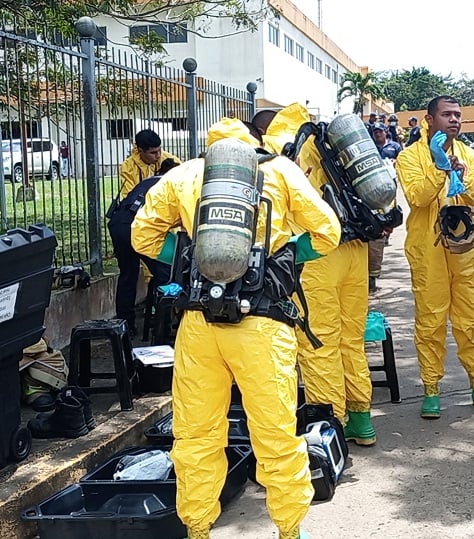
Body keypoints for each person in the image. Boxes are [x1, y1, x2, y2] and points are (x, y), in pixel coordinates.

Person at [131, 117, 341, 539]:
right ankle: (288, 529)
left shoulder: (187, 173)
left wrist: (191, 257)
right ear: (254, 140)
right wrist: (284, 258)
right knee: (276, 433)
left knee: (195, 434)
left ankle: (197, 528)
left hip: (198, 324)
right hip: (262, 326)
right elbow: (328, 232)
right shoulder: (280, 171)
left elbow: (142, 236)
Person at [272, 103, 382, 446]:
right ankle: (362, 419)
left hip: (318, 253)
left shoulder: (281, 145)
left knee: (319, 341)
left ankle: (330, 425)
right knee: (352, 338)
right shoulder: (330, 143)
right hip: (355, 249)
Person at [395, 95, 474, 419]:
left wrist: (462, 174)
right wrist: (439, 169)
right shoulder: (409, 157)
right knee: (431, 320)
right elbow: (417, 196)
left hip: (464, 246)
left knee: (471, 319)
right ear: (429, 119)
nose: (454, 120)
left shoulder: (469, 155)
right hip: (428, 249)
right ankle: (431, 389)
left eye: (458, 114)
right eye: (447, 114)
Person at [108, 158, 178, 336]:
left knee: (128, 275)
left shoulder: (147, 182)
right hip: (139, 229)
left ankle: (125, 326)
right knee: (165, 272)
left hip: (119, 225)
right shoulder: (170, 185)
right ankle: (161, 322)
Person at [368, 123, 401, 293]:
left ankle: (387, 229)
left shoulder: (394, 146)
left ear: (385, 132)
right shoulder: (369, 146)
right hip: (371, 186)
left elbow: (401, 162)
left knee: (388, 209)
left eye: (380, 131)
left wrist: (395, 163)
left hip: (389, 183)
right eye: (375, 132)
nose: (378, 134)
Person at [117, 128, 180, 200]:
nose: (158, 155)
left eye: (159, 150)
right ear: (140, 150)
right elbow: (129, 197)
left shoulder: (167, 158)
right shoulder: (127, 167)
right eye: (153, 153)